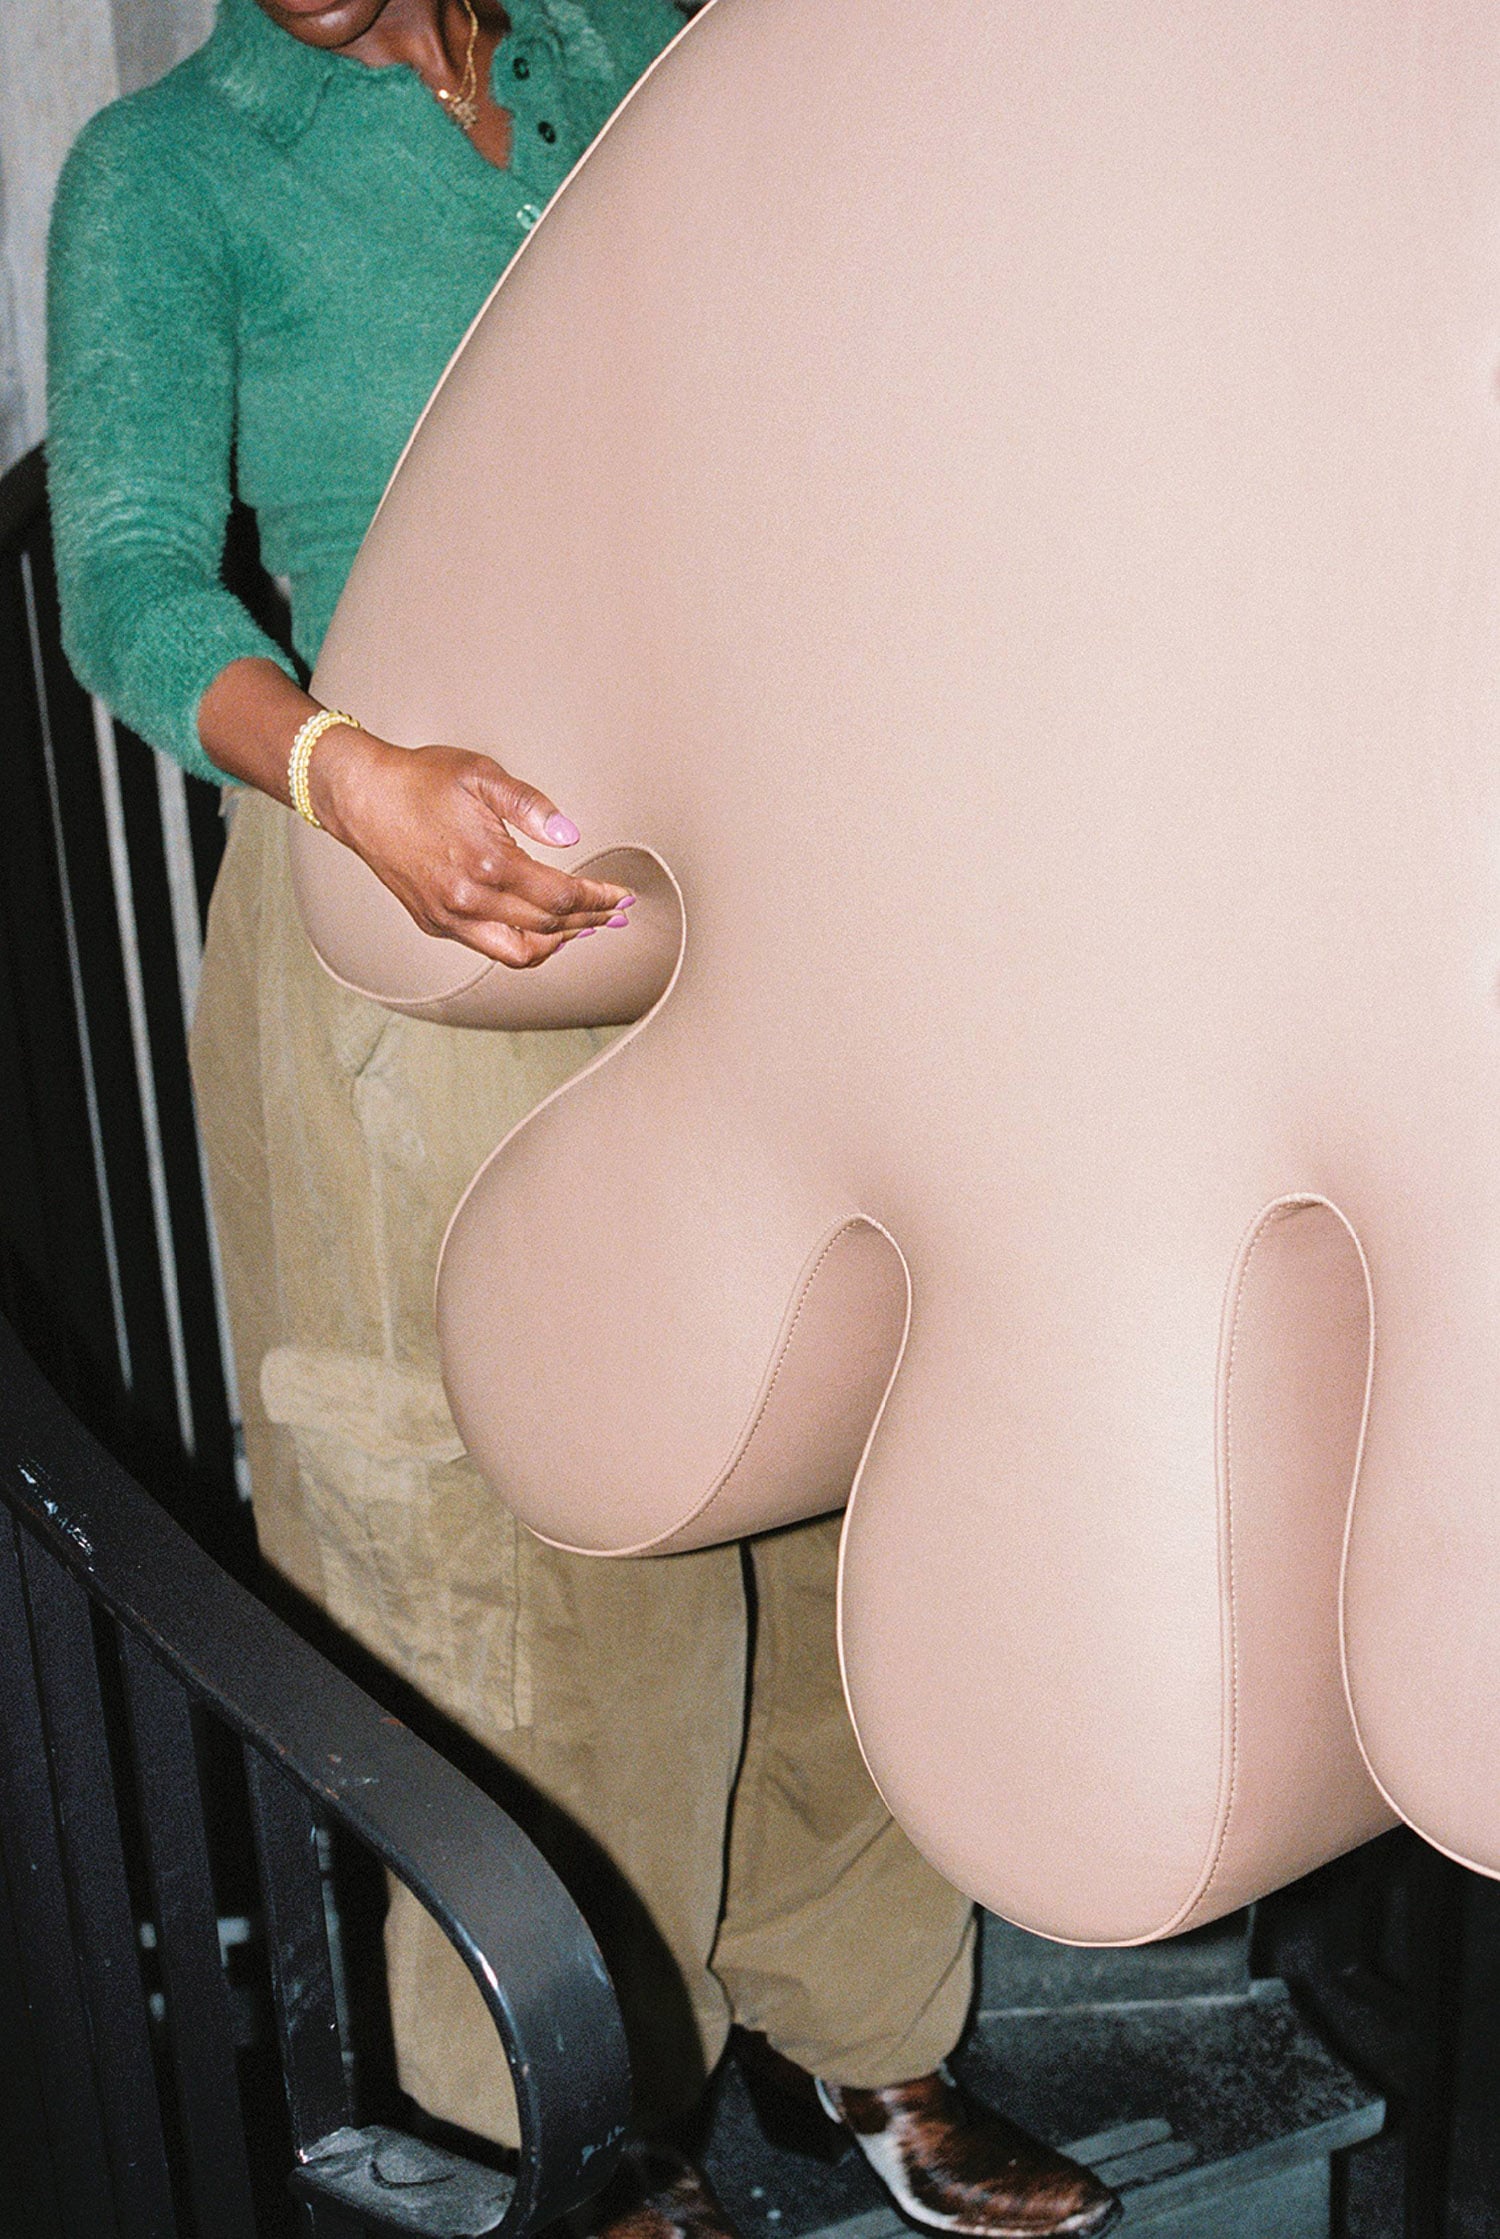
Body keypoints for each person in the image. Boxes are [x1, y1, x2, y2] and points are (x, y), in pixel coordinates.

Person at [45, 5, 1120, 2235]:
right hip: (418, 933)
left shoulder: (640, 43)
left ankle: (874, 2033)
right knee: (505, 1547)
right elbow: (128, 575)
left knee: (840, 1476)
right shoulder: (170, 167)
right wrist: (351, 768)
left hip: (760, 885)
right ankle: (589, 2126)